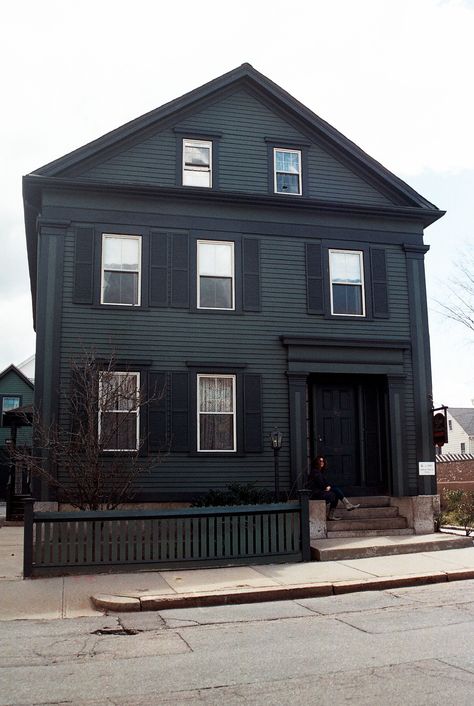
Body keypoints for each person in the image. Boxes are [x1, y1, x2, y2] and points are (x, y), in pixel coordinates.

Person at [308, 455, 360, 520]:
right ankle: (347, 504)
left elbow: (325, 483)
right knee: (335, 490)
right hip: (315, 494)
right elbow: (320, 484)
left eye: (323, 461)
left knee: (335, 493)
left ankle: (332, 515)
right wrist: (326, 487)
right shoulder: (315, 472)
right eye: (320, 461)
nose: (322, 463)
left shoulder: (319, 472)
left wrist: (327, 486)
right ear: (316, 463)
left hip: (319, 492)